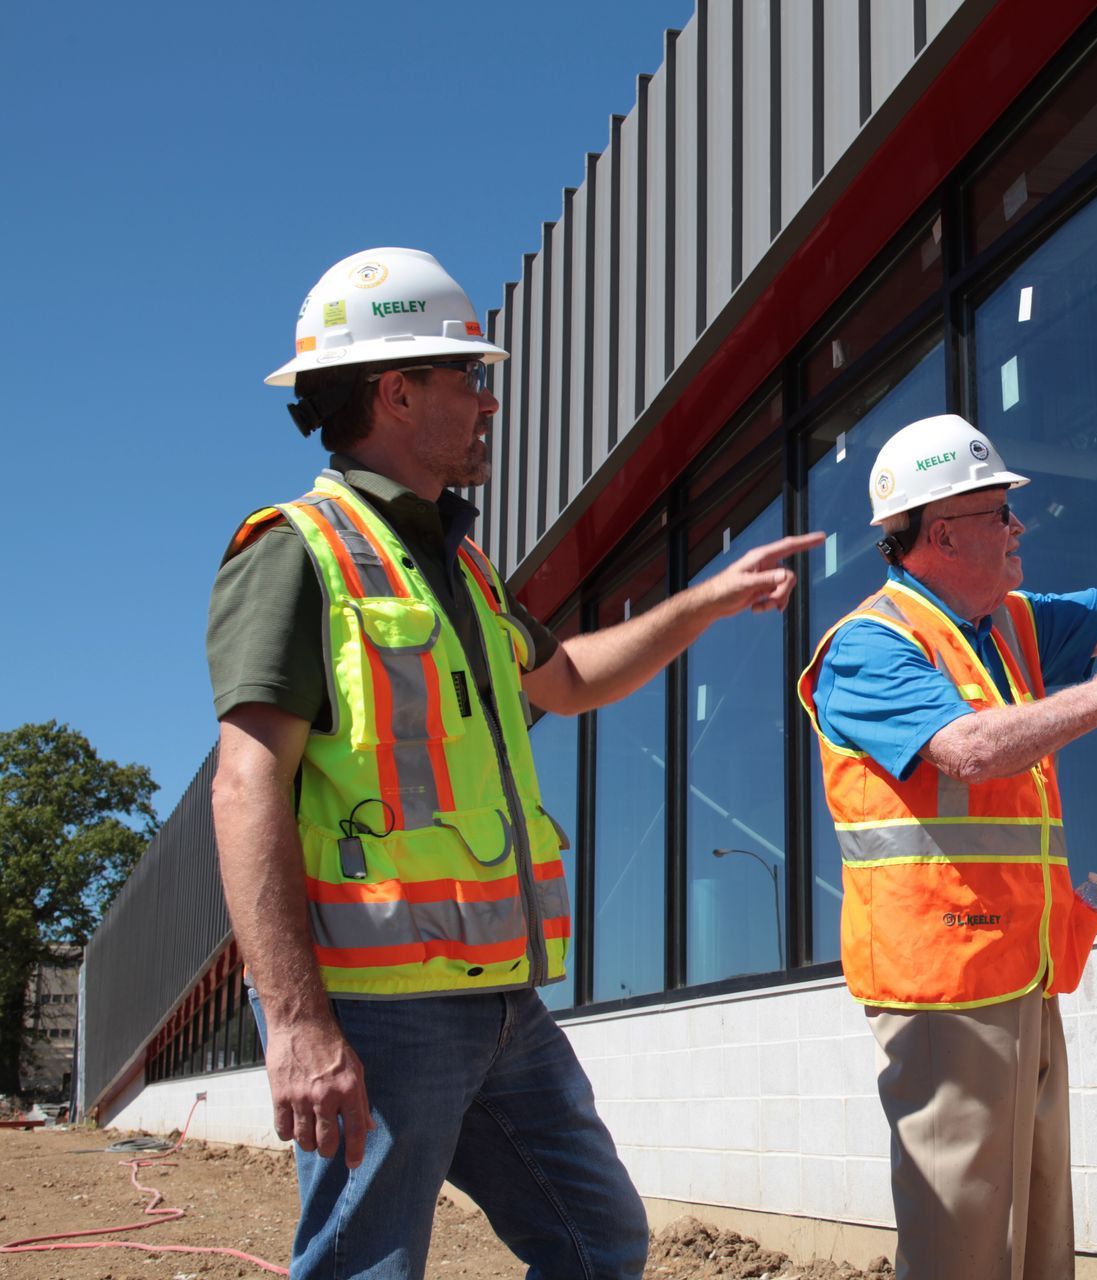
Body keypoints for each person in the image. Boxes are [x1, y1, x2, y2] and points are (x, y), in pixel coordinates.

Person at [207, 247, 821, 1279]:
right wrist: (302, 1023)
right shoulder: (298, 551)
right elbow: (244, 781)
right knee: (368, 1264)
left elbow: (569, 676)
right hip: (381, 1008)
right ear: (397, 391)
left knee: (597, 1238)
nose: (489, 403)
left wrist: (707, 598)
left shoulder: (461, 569)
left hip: (501, 999)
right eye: (469, 379)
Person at [796, 413, 1097, 1279]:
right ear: (942, 533)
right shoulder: (870, 646)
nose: (1019, 528)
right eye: (1000, 514)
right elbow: (970, 750)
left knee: (1040, 1247)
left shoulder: (1005, 623)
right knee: (962, 1253)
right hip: (943, 998)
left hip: (1020, 978)